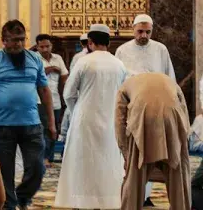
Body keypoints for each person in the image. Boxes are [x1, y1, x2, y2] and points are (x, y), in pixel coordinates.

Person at [0, 20, 54, 210]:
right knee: (4, 172)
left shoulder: (34, 60)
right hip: (1, 126)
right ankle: (8, 205)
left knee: (37, 167)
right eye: (14, 40)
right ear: (4, 41)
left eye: (21, 39)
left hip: (31, 124)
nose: (18, 44)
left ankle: (23, 197)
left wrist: (51, 122)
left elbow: (44, 91)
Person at [55, 24, 126, 209]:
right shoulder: (119, 65)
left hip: (85, 120)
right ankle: (108, 202)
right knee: (108, 161)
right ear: (109, 43)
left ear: (90, 43)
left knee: (83, 162)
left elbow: (69, 93)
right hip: (111, 121)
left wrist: (76, 109)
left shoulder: (83, 62)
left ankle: (81, 203)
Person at [115, 14, 176, 206]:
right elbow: (119, 82)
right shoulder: (122, 51)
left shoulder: (161, 49)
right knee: (135, 154)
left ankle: (147, 196)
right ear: (133, 29)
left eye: (148, 32)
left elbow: (169, 78)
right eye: (140, 31)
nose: (144, 35)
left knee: (155, 151)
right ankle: (134, 195)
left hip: (157, 109)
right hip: (133, 108)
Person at [116, 73, 190, 210]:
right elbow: (184, 113)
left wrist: (126, 154)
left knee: (134, 182)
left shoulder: (125, 86)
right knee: (178, 180)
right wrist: (183, 145)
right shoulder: (170, 81)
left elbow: (119, 122)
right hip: (172, 118)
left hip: (143, 120)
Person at [34, 34, 68, 166]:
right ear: (37, 47)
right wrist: (51, 69)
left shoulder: (58, 58)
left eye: (47, 46)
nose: (45, 49)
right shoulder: (34, 59)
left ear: (51, 46)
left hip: (56, 100)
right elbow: (35, 74)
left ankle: (51, 157)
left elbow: (64, 74)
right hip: (39, 100)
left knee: (54, 129)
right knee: (43, 129)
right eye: (42, 47)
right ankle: (43, 158)